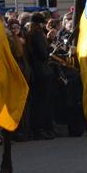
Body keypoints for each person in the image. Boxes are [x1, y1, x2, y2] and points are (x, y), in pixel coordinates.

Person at [25, 12, 55, 140]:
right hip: (43, 71)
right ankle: (40, 129)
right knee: (43, 101)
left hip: (35, 70)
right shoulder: (38, 34)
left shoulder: (29, 34)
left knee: (37, 101)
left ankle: (37, 128)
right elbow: (43, 54)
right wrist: (50, 47)